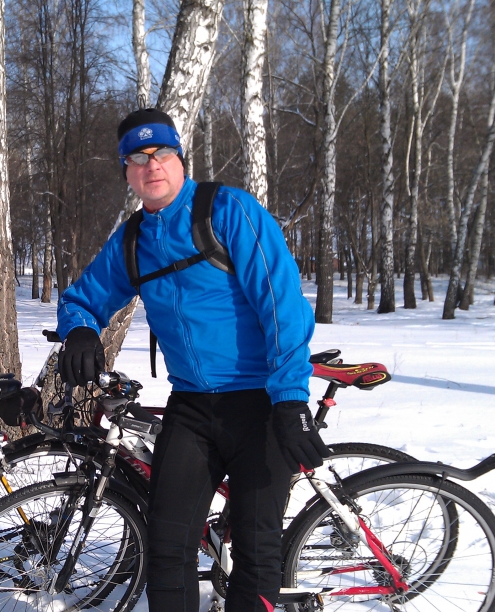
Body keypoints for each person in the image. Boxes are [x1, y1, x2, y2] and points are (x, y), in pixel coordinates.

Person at [55, 107, 330, 612]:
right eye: (137, 158)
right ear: (126, 172)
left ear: (180, 158)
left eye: (161, 152)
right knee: (166, 545)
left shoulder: (228, 211)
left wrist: (291, 399)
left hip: (261, 404)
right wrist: (80, 330)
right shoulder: (132, 240)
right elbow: (82, 299)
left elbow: (283, 308)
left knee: (256, 551)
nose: (151, 165)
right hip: (191, 407)